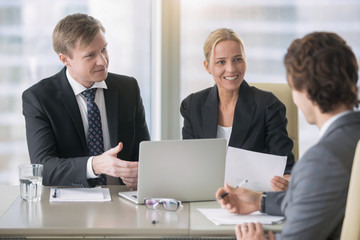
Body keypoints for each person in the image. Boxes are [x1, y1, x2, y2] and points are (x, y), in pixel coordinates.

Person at [216, 31, 360, 240]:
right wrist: (260, 202)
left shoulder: (323, 160)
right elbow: (318, 199)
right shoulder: (351, 140)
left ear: (307, 91)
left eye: (293, 86)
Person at [22, 13, 150, 189]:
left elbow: (144, 153)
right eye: (90, 55)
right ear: (65, 59)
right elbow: (44, 168)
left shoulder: (128, 88)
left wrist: (141, 174)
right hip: (69, 205)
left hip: (123, 199)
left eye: (104, 49)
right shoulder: (39, 98)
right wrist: (95, 165)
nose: (103, 61)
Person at [180, 28, 294, 191]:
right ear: (207, 66)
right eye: (221, 62)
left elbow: (286, 166)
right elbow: (189, 165)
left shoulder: (268, 105)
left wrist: (287, 180)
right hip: (205, 198)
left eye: (237, 59)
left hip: (252, 201)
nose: (231, 69)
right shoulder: (192, 106)